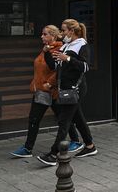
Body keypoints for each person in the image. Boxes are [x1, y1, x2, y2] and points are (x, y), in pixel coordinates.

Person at [12, 25, 83, 158]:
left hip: (52, 92)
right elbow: (40, 68)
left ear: (53, 36)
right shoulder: (46, 49)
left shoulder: (59, 49)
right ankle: (28, 148)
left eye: (45, 34)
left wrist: (49, 84)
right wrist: (35, 82)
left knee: (64, 119)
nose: (42, 36)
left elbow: (59, 70)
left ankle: (75, 141)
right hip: (41, 91)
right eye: (42, 34)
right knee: (35, 118)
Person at [37, 19, 97, 166]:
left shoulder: (82, 45)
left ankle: (53, 154)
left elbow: (85, 67)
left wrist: (68, 58)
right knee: (78, 118)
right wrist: (47, 53)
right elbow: (54, 66)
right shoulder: (66, 45)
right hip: (65, 88)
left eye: (63, 30)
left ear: (72, 31)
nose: (61, 33)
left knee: (64, 121)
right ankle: (90, 146)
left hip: (75, 88)